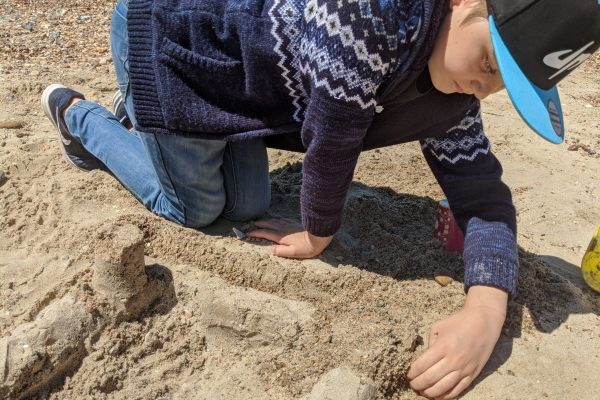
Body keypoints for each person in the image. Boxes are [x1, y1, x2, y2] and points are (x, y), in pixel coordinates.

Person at [41, 0, 599, 398]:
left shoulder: (451, 103)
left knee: (245, 206)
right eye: (487, 63)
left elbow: (483, 196)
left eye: (504, 84)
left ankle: (143, 116)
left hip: (237, 92)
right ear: (460, 4)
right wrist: (318, 232)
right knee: (195, 210)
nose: (484, 86)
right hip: (171, 43)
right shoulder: (373, 15)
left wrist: (486, 306)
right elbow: (333, 138)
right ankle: (82, 118)